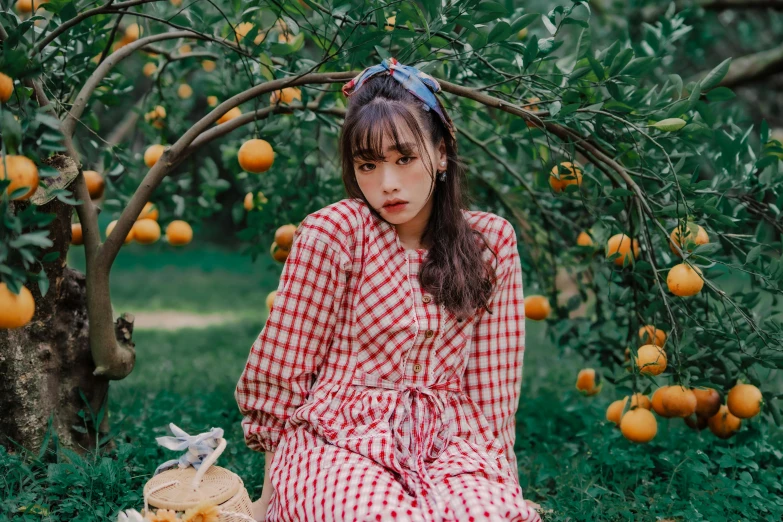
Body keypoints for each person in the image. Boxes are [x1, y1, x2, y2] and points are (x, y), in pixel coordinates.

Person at [235, 57, 541, 522]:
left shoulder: (488, 242)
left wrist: (502, 484)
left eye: (404, 158)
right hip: (340, 439)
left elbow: (493, 391)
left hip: (449, 442)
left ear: (440, 154)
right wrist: (267, 500)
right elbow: (284, 370)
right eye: (368, 164)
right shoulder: (336, 232)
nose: (388, 184)